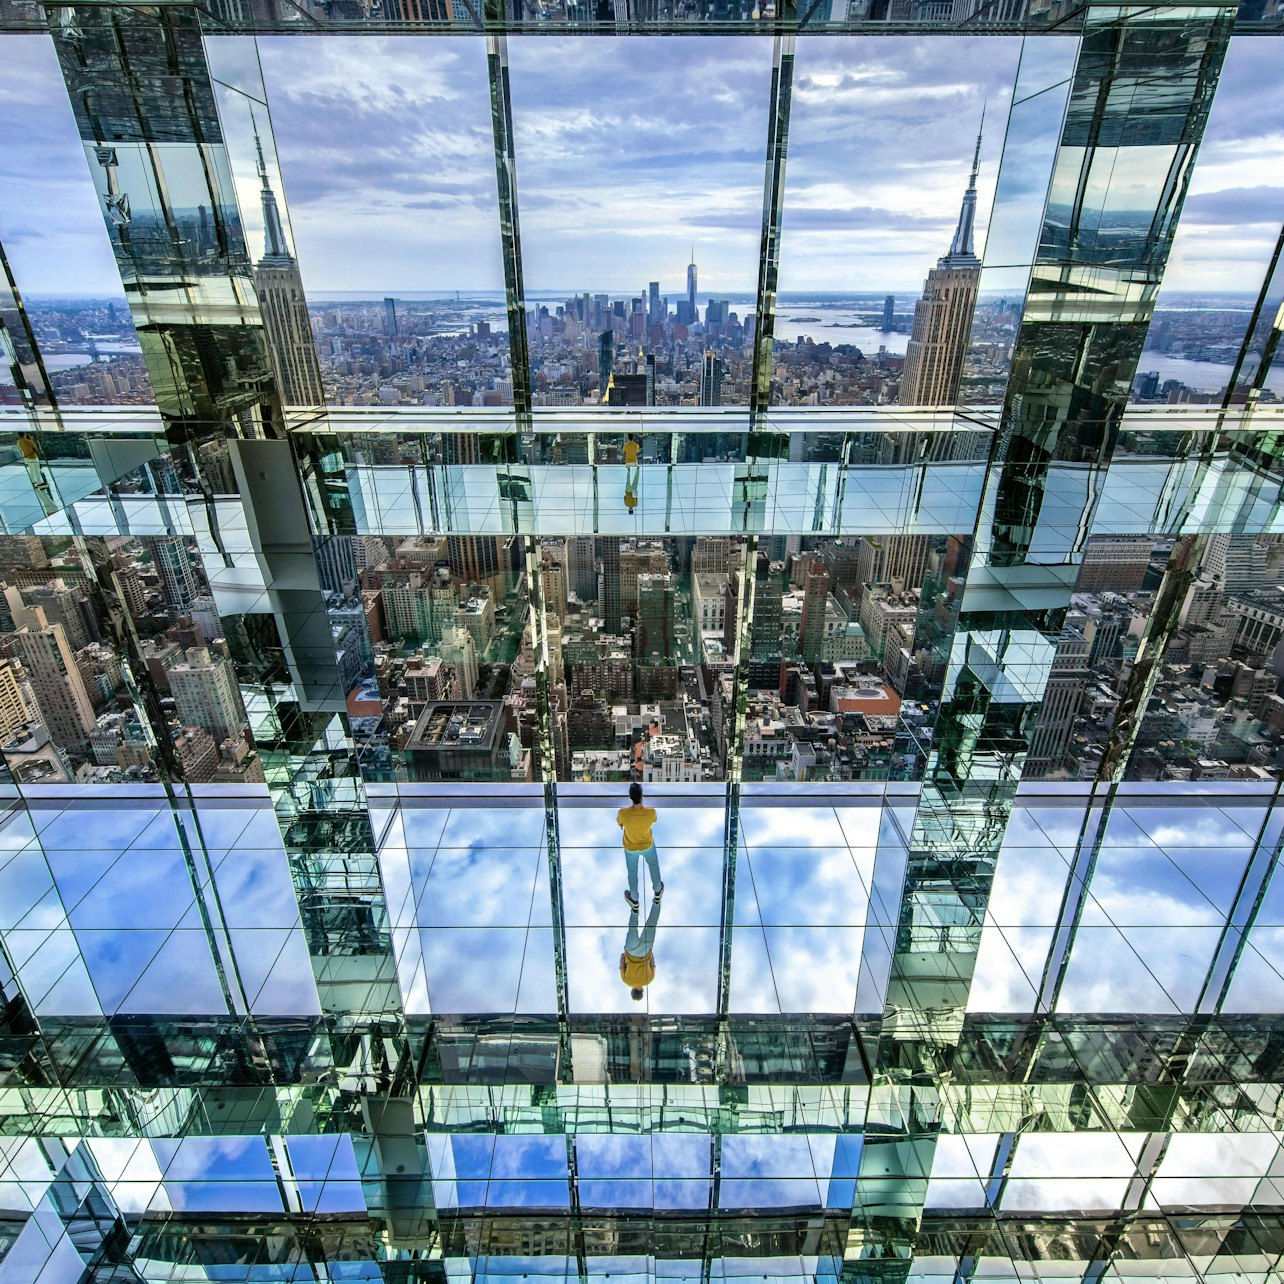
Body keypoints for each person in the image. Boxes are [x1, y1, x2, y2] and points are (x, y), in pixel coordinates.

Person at [616, 781, 662, 911]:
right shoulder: (651, 812)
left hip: (630, 847)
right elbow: (654, 820)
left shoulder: (623, 813)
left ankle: (634, 899)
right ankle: (658, 892)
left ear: (630, 797)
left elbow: (619, 823)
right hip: (647, 845)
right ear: (642, 796)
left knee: (632, 872)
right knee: (653, 867)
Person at [619, 895, 661, 1001]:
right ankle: (635, 909)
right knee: (632, 928)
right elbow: (621, 962)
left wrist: (649, 952)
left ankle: (657, 901)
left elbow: (653, 963)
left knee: (652, 923)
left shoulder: (649, 980)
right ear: (632, 991)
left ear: (642, 991)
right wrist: (624, 955)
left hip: (645, 951)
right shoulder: (626, 981)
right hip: (631, 952)